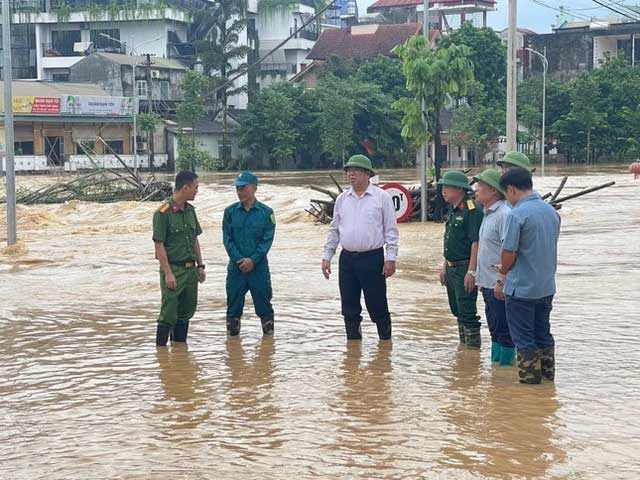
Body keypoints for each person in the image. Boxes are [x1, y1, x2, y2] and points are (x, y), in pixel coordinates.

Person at [322, 154, 399, 340]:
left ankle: (385, 346)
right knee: (348, 306)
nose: (351, 174)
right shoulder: (342, 199)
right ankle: (353, 351)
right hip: (347, 259)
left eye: (355, 170)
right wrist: (327, 255)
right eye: (348, 170)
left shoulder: (381, 198)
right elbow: (334, 230)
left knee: (377, 304)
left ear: (367, 174)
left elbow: (391, 230)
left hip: (372, 258)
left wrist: (391, 258)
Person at [498, 167, 560, 384]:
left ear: (512, 190)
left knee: (524, 341)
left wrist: (502, 271)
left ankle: (530, 389)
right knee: (543, 335)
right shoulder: (551, 212)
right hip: (546, 286)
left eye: (506, 194)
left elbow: (509, 253)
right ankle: (547, 383)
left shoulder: (517, 215)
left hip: (521, 288)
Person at [152, 171, 206, 346]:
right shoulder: (163, 213)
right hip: (174, 269)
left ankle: (179, 355)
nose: (197, 191)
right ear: (185, 187)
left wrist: (200, 265)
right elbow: (159, 245)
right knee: (168, 313)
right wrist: (168, 273)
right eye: (195, 187)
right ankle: (160, 355)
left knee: (186, 312)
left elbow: (195, 239)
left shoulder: (190, 211)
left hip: (191, 271)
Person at [223, 171, 276, 336]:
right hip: (236, 268)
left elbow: (267, 241)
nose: (239, 192)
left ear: (254, 188)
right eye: (237, 189)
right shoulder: (230, 212)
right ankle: (233, 351)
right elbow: (227, 240)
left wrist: (252, 260)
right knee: (233, 308)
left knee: (264, 306)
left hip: (258, 268)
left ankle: (268, 351)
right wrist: (240, 260)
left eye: (243, 188)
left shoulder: (266, 213)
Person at [472, 169, 515, 365]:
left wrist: (501, 281)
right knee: (495, 328)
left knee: (504, 329)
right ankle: (496, 371)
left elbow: (509, 250)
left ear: (493, 191)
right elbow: (487, 250)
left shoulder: (504, 214)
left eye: (480, 186)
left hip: (499, 285)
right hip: (488, 282)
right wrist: (480, 278)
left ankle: (505, 372)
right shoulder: (488, 214)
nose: (475, 189)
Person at [438, 171, 484, 348]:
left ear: (459, 189)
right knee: (456, 309)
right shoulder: (454, 209)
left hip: (464, 267)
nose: (443, 190)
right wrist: (444, 267)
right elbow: (450, 241)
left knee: (467, 312)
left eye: (447, 187)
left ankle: (472, 355)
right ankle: (463, 351)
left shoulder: (472, 209)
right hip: (452, 268)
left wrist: (472, 272)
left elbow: (476, 242)